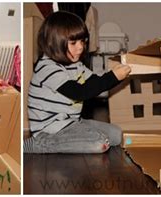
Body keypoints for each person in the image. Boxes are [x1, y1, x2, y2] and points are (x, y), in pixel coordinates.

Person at [24, 11, 131, 153]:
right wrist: (113, 77)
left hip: (72, 122)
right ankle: (39, 144)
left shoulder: (76, 64)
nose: (80, 47)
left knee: (117, 135)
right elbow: (79, 92)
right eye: (73, 43)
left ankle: (86, 137)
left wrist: (116, 74)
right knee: (98, 144)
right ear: (54, 43)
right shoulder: (47, 68)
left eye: (82, 41)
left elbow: (95, 82)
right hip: (50, 129)